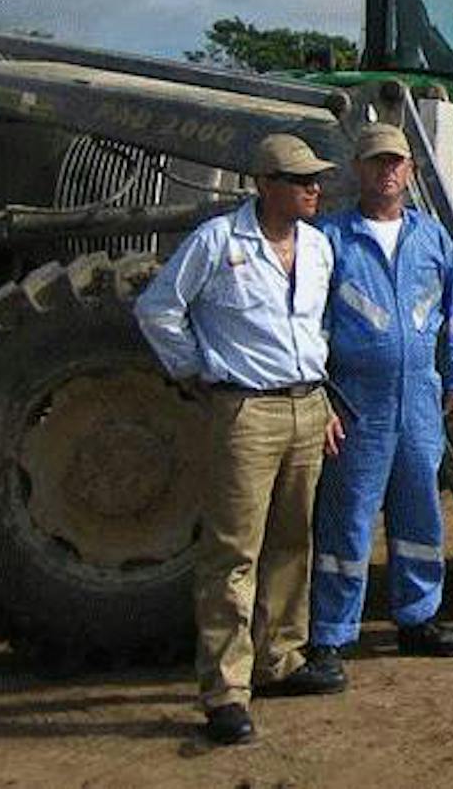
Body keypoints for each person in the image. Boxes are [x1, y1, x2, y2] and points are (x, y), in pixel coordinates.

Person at [133, 134, 345, 746]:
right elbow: (157, 309)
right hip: (246, 410)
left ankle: (280, 657)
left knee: (292, 540)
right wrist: (195, 367)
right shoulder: (218, 242)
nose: (314, 189)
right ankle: (226, 689)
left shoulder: (318, 247)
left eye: (315, 179)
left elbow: (316, 328)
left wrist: (323, 401)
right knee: (233, 552)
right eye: (299, 180)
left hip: (306, 405)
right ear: (264, 185)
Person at [309, 124, 453, 672]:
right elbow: (308, 327)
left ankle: (418, 617)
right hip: (357, 405)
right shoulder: (330, 239)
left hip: (420, 404)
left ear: (410, 170)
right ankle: (332, 634)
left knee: (420, 514)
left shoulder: (431, 237)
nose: (387, 171)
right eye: (376, 162)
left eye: (395, 162)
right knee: (348, 518)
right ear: (357, 169)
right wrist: (320, 400)